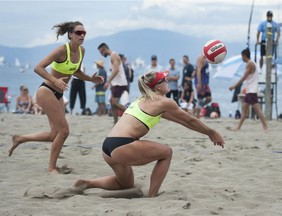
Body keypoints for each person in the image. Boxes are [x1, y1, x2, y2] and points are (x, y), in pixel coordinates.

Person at [72, 71, 224, 198]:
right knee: (166, 153)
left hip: (107, 146)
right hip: (122, 145)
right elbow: (190, 120)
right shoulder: (163, 101)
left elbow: (183, 121)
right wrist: (211, 132)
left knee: (125, 184)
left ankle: (87, 183)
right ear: (158, 86)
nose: (168, 82)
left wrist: (206, 132)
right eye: (165, 80)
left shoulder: (142, 100)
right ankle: (152, 196)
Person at [8, 21, 103, 173]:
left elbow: (76, 72)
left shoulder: (81, 51)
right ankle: (52, 168)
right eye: (79, 32)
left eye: (84, 33)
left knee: (54, 135)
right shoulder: (61, 50)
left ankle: (20, 138)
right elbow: (38, 67)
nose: (82, 35)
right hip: (46, 91)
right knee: (64, 131)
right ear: (70, 34)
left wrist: (91, 79)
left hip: (58, 93)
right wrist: (54, 80)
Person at [228, 48, 268, 131]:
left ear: (244, 56)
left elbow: (243, 78)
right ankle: (238, 127)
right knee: (244, 109)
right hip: (250, 90)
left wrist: (234, 86)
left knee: (257, 110)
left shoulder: (249, 64)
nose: (242, 58)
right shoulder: (252, 63)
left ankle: (265, 127)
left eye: (242, 56)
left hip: (252, 91)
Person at [98, 43, 128, 124]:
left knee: (114, 103)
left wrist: (108, 82)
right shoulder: (112, 56)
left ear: (104, 50)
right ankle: (115, 123)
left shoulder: (113, 55)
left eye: (101, 52)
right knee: (112, 102)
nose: (101, 54)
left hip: (120, 83)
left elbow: (116, 70)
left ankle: (131, 114)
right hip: (116, 84)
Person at [194, 54, 212, 118]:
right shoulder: (201, 58)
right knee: (200, 99)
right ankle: (197, 116)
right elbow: (198, 70)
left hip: (205, 83)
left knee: (209, 99)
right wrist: (199, 83)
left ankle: (196, 109)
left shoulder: (206, 59)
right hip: (201, 82)